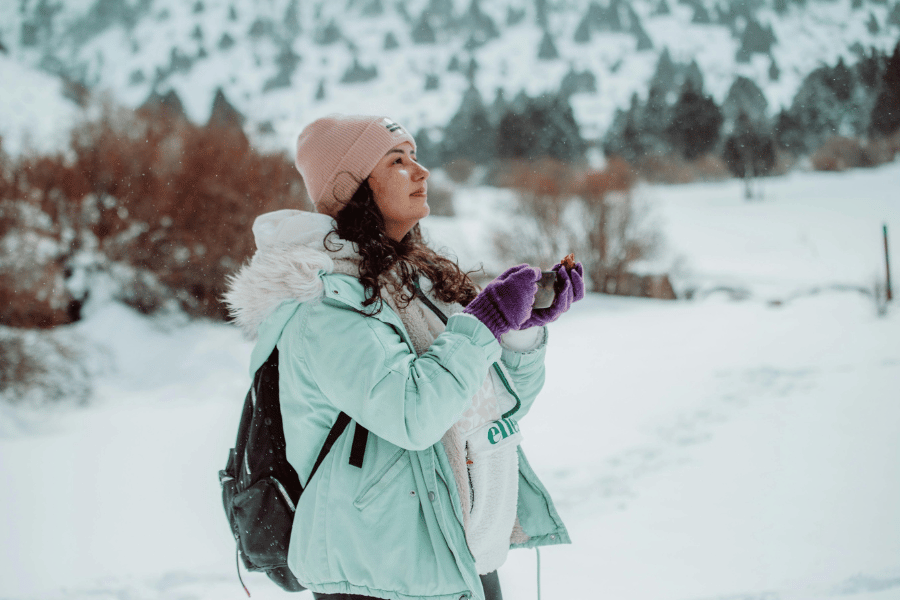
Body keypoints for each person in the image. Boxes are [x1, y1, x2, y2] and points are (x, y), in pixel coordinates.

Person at [224, 114, 583, 600]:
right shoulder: (325, 306)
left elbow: (488, 406)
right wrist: (484, 323)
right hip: (377, 569)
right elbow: (414, 415)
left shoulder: (417, 282)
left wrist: (518, 331)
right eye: (397, 161)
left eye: (414, 156)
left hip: (453, 543)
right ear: (352, 187)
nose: (421, 171)